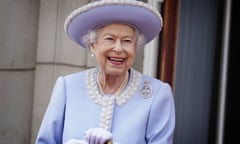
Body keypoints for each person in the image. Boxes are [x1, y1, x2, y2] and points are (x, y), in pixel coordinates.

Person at [35, 0, 175, 144]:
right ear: (92, 45)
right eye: (110, 39)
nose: (119, 48)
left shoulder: (157, 94)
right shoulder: (67, 87)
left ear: (135, 46)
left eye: (127, 41)